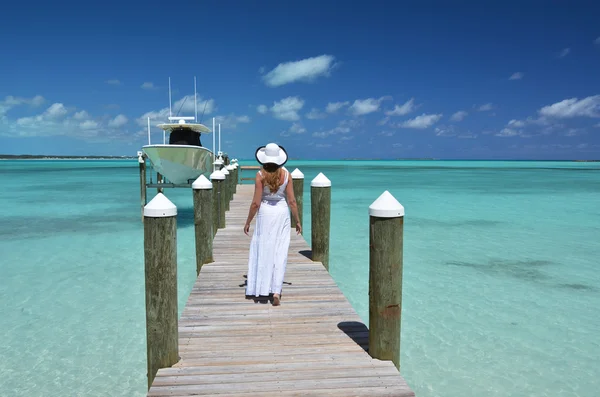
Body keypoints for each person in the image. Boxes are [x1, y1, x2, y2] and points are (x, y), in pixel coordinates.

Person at [244, 143, 302, 306]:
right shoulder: (286, 175)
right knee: (280, 251)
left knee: (264, 248)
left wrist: (248, 221)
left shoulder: (260, 175)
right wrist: (297, 220)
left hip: (265, 214)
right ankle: (276, 290)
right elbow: (292, 201)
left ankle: (261, 288)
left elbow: (256, 203)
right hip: (282, 214)